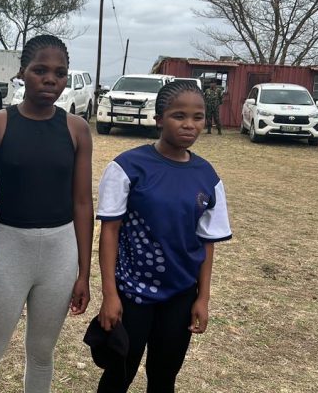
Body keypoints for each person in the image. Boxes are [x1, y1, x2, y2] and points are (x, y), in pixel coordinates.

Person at [0, 35, 94, 393]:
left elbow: (83, 203)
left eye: (60, 73)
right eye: (40, 70)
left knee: (41, 354)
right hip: (10, 251)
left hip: (60, 255)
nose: (50, 80)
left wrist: (84, 273)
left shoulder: (77, 129)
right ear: (22, 72)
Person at [94, 80, 232, 392]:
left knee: (164, 377)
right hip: (132, 294)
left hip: (180, 296)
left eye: (198, 117)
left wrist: (203, 298)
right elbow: (110, 232)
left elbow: (207, 243)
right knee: (118, 374)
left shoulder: (208, 177)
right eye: (178, 116)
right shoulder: (127, 167)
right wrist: (110, 294)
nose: (189, 125)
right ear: (158, 119)